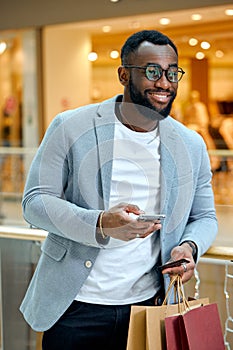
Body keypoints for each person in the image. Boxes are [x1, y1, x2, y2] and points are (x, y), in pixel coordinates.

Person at [20, 30, 218, 350]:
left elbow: (205, 215)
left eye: (172, 73)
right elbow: (35, 202)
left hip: (148, 308)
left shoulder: (191, 145)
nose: (164, 83)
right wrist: (101, 222)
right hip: (75, 307)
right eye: (152, 71)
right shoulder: (70, 126)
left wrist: (189, 247)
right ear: (124, 74)